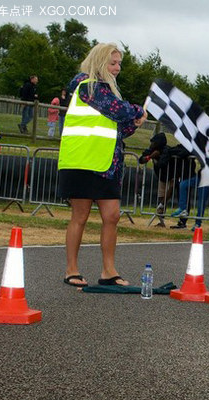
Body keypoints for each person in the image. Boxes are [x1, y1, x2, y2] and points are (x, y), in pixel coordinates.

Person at [58, 43, 147, 287]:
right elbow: (119, 110)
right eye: (113, 63)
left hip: (107, 164)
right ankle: (71, 270)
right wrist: (136, 110)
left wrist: (134, 123)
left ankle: (109, 271)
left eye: (119, 63)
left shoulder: (107, 92)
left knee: (112, 216)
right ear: (99, 62)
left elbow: (117, 128)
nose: (117, 68)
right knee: (80, 216)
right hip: (81, 161)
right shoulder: (89, 86)